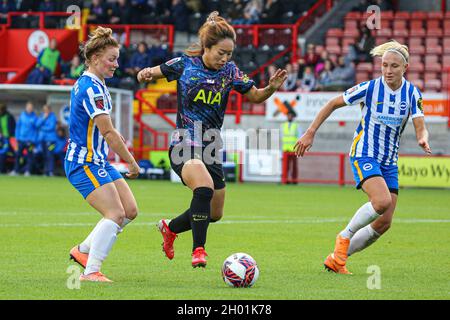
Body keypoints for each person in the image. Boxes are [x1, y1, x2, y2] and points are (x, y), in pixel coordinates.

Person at [137, 11, 287, 268]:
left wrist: (271, 88)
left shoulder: (230, 72)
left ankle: (170, 228)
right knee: (203, 188)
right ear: (206, 47)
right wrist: (145, 74)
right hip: (185, 140)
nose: (225, 58)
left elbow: (255, 96)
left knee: (214, 213)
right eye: (221, 52)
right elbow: (153, 72)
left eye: (229, 54)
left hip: (211, 144)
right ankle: (198, 250)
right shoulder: (184, 64)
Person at [294, 40, 431, 274]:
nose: (388, 71)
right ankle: (344, 237)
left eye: (394, 66)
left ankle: (337, 258)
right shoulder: (369, 88)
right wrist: (310, 132)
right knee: (381, 202)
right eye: (385, 65)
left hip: (389, 161)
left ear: (405, 67)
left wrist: (422, 138)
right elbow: (332, 103)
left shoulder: (412, 94)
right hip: (364, 152)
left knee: (384, 222)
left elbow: (420, 126)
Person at [66, 26, 140, 282]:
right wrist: (130, 160)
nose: (116, 64)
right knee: (115, 214)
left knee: (129, 211)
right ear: (95, 58)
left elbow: (108, 132)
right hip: (83, 162)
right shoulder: (92, 89)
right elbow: (108, 133)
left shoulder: (95, 83)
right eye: (112, 59)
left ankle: (83, 250)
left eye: (117, 59)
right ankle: (91, 271)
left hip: (97, 160)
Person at [10, 101, 37, 177]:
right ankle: (16, 170)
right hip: (21, 139)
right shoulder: (22, 116)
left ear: (32, 109)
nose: (29, 109)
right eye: (28, 107)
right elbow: (18, 127)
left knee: (29, 156)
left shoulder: (34, 117)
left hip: (30, 141)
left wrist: (33, 140)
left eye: (31, 107)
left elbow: (36, 130)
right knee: (18, 155)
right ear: (26, 107)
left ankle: (27, 171)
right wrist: (17, 137)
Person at [36, 105, 57, 176]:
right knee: (44, 155)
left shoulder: (53, 117)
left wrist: (42, 128)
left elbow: (51, 127)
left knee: (50, 155)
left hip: (51, 140)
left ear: (49, 110)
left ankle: (51, 171)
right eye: (44, 110)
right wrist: (43, 119)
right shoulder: (42, 116)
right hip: (43, 139)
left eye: (46, 110)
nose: (45, 111)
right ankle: (45, 171)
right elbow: (37, 125)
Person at [281, 111, 301, 184]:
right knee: (285, 166)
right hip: (285, 149)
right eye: (288, 115)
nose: (289, 117)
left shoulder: (296, 125)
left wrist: (298, 148)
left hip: (293, 149)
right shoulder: (283, 125)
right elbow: (282, 137)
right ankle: (285, 180)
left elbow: (299, 137)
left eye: (290, 116)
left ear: (293, 117)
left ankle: (294, 180)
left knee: (294, 166)